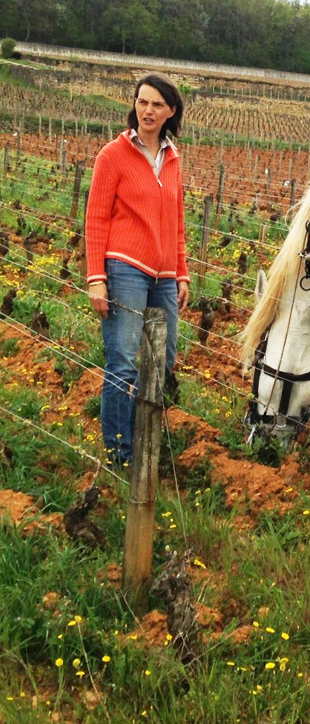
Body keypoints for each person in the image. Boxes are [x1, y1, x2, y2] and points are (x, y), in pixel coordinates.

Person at [85, 73, 190, 469]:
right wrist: (97, 276)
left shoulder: (173, 158)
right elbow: (95, 219)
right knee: (124, 362)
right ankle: (119, 453)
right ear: (134, 104)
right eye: (142, 102)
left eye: (156, 104)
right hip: (125, 268)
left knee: (162, 360)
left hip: (164, 276)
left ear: (170, 111)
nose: (147, 110)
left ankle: (142, 442)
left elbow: (177, 220)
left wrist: (181, 272)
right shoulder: (113, 155)